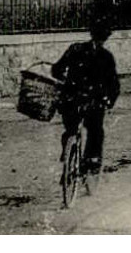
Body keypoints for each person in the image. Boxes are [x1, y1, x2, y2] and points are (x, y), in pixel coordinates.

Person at [51, 19, 121, 181]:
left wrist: (63, 79)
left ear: (90, 33)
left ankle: (68, 155)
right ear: (106, 37)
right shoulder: (106, 57)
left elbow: (56, 69)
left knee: (70, 129)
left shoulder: (75, 49)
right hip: (92, 101)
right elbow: (114, 85)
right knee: (96, 129)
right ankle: (91, 161)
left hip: (71, 98)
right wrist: (109, 101)